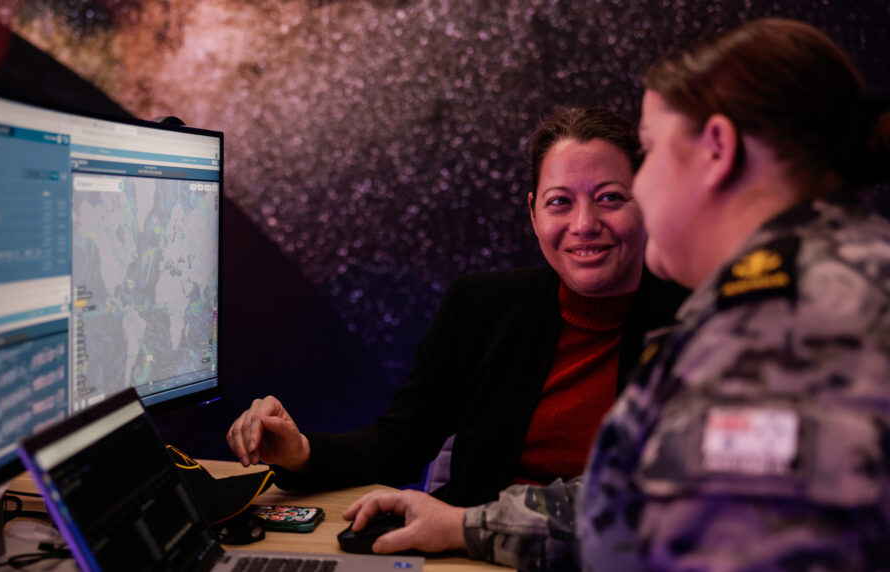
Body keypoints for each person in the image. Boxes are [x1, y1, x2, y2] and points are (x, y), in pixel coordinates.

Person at [349, 17, 890, 571]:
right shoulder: (822, 276)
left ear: (718, 150)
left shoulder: (782, 323)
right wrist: (464, 525)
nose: (639, 189)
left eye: (650, 152)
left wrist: (465, 527)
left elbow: (660, 535)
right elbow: (643, 492)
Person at [227, 107, 687, 518]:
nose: (584, 224)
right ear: (533, 213)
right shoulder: (478, 306)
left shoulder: (703, 325)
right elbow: (400, 445)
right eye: (559, 202)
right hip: (466, 558)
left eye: (609, 197)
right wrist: (299, 452)